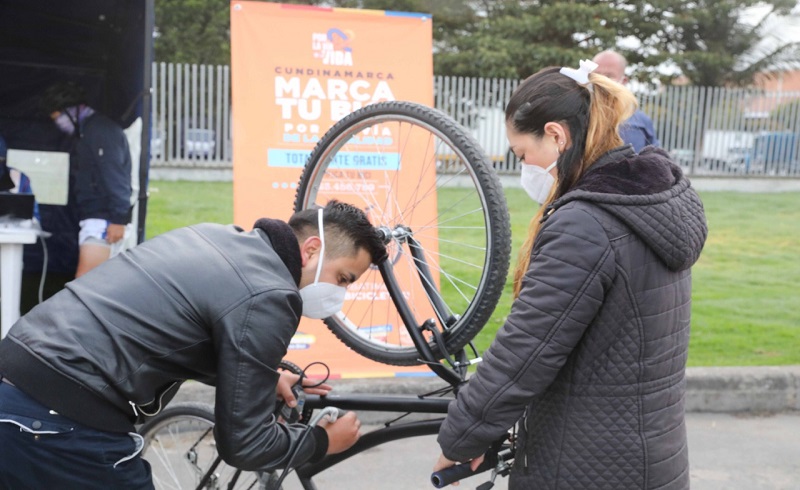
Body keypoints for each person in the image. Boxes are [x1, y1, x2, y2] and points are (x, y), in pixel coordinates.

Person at [434, 60, 707, 489]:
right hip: (652, 459)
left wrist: (462, 437)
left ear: (557, 135)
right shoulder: (648, 204)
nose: (523, 167)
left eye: (523, 154)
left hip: (587, 468)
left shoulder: (585, 224)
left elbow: (526, 349)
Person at [0, 200, 387, 489]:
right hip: (63, 419)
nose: (340, 293)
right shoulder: (271, 294)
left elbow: (171, 325)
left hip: (16, 378)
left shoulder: (214, 235)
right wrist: (320, 442)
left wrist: (263, 378)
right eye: (343, 278)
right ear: (313, 249)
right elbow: (245, 445)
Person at [39, 81, 132, 277]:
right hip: (96, 217)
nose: (59, 124)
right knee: (94, 285)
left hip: (104, 220)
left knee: (85, 285)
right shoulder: (88, 131)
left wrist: (118, 219)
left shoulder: (100, 131)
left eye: (59, 118)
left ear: (72, 110)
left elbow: (115, 177)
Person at [593, 49, 660, 152]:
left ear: (623, 81)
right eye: (596, 75)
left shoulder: (639, 122)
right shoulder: (575, 113)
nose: (601, 81)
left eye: (609, 76)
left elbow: (655, 160)